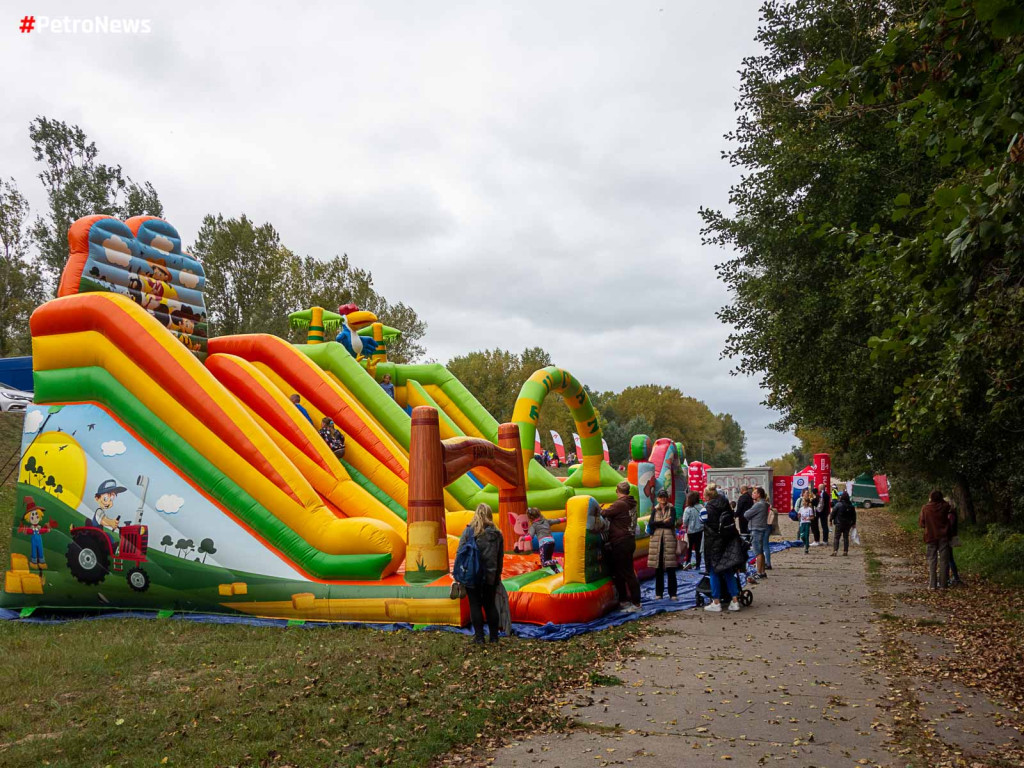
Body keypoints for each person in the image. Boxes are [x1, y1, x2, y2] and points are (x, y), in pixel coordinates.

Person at [459, 504, 505, 643]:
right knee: (490, 605)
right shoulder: (497, 534)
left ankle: (479, 637)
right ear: (490, 515)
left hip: (473, 575)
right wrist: (497, 576)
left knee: (475, 605)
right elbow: (500, 557)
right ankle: (494, 637)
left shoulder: (469, 532)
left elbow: (461, 553)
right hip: (490, 575)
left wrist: (460, 575)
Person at [600, 481, 641, 612]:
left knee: (627, 573)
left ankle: (636, 603)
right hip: (628, 540)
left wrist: (598, 509)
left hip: (621, 541)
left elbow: (605, 513)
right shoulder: (631, 503)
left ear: (617, 491)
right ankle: (624, 599)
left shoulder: (620, 504)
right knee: (621, 572)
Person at [703, 483, 742, 612]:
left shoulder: (708, 508)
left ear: (708, 496)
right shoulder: (725, 504)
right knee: (728, 571)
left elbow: (707, 525)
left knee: (713, 571)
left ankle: (716, 601)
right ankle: (735, 600)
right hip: (728, 540)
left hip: (714, 542)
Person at [647, 489, 680, 600]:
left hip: (668, 540)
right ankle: (659, 593)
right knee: (658, 568)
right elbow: (651, 524)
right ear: (657, 498)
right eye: (660, 497)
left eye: (664, 497)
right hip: (657, 542)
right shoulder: (654, 510)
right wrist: (662, 522)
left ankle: (673, 593)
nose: (662, 499)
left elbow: (671, 523)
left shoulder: (672, 509)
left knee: (671, 568)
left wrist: (658, 524)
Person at [919, 490, 953, 590]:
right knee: (944, 561)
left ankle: (932, 584)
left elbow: (921, 523)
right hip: (944, 536)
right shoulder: (945, 506)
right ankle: (943, 584)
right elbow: (950, 507)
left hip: (930, 536)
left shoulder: (925, 508)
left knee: (932, 560)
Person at [526, 507, 564, 572]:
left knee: (544, 563)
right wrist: (566, 518)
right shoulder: (546, 521)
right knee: (549, 559)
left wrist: (522, 538)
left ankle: (557, 561)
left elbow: (530, 537)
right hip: (551, 542)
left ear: (530, 518)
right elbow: (558, 520)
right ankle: (557, 572)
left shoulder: (534, 526)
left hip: (544, 544)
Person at [744, 486, 769, 579]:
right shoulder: (764, 504)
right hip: (761, 528)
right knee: (761, 551)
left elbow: (746, 514)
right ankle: (762, 571)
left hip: (756, 529)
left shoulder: (758, 505)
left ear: (758, 495)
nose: (752, 494)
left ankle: (758, 572)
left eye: (754, 493)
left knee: (757, 552)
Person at [682, 491, 704, 570]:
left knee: (689, 547)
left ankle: (688, 562)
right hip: (700, 530)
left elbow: (685, 521)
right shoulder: (701, 507)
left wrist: (685, 525)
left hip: (691, 531)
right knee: (698, 548)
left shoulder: (688, 509)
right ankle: (698, 564)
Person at [830, 491, 857, 556]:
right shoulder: (851, 506)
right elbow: (854, 515)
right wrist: (853, 523)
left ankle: (835, 551)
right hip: (848, 524)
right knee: (845, 537)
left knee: (837, 537)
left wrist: (831, 519)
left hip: (839, 523)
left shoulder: (838, 504)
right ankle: (845, 551)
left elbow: (833, 512)